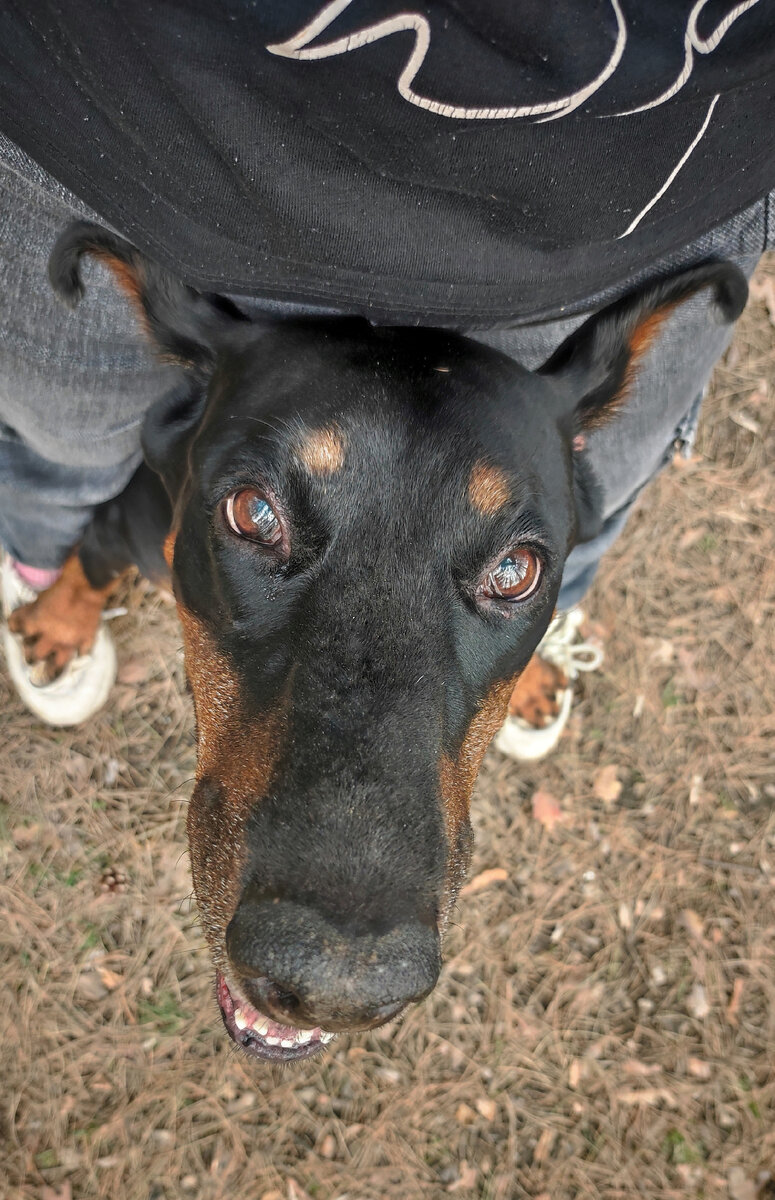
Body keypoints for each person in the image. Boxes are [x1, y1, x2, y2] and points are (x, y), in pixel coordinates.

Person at [0, 1, 773, 748]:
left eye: (508, 574)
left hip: (647, 201)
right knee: (64, 442)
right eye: (256, 520)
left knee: (574, 510)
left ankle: (526, 625)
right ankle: (57, 577)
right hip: (124, 131)